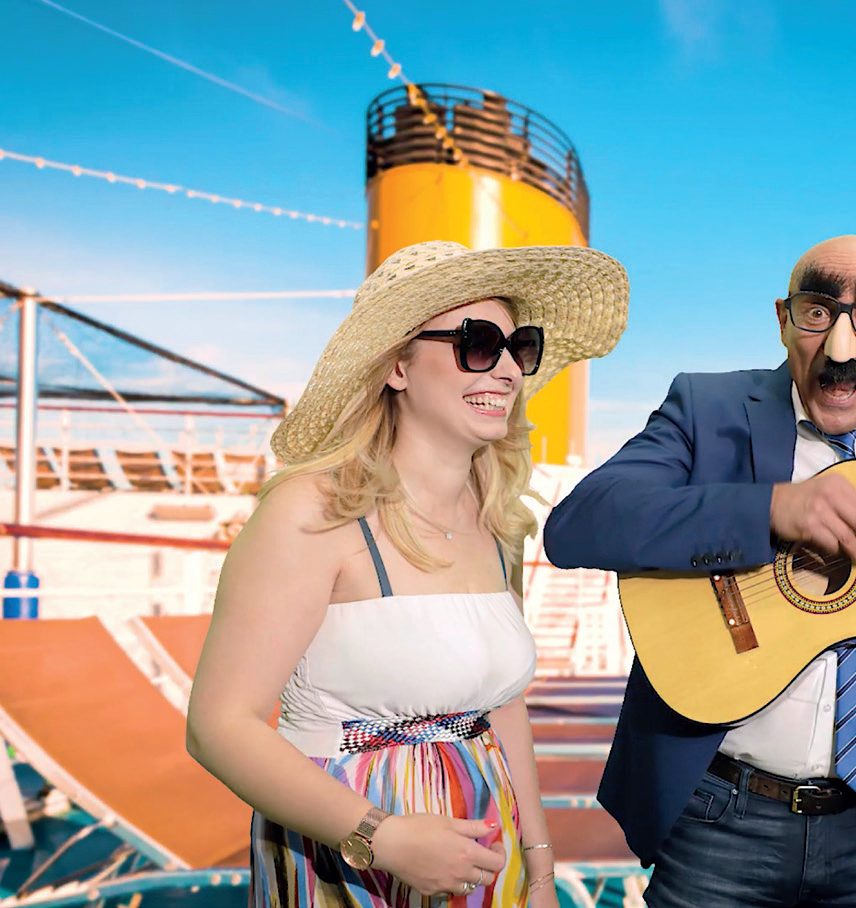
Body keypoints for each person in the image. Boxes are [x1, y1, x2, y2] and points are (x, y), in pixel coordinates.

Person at [543, 235, 856, 908]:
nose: (842, 349)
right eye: (817, 312)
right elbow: (580, 524)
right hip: (717, 817)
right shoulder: (708, 407)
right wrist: (771, 510)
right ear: (783, 319)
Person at [185, 241, 629, 908]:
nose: (509, 369)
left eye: (520, 347)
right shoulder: (314, 512)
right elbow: (219, 725)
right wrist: (381, 836)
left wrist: (538, 869)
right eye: (478, 344)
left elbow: (500, 705)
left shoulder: (498, 522)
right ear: (396, 365)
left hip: (487, 845)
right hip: (348, 854)